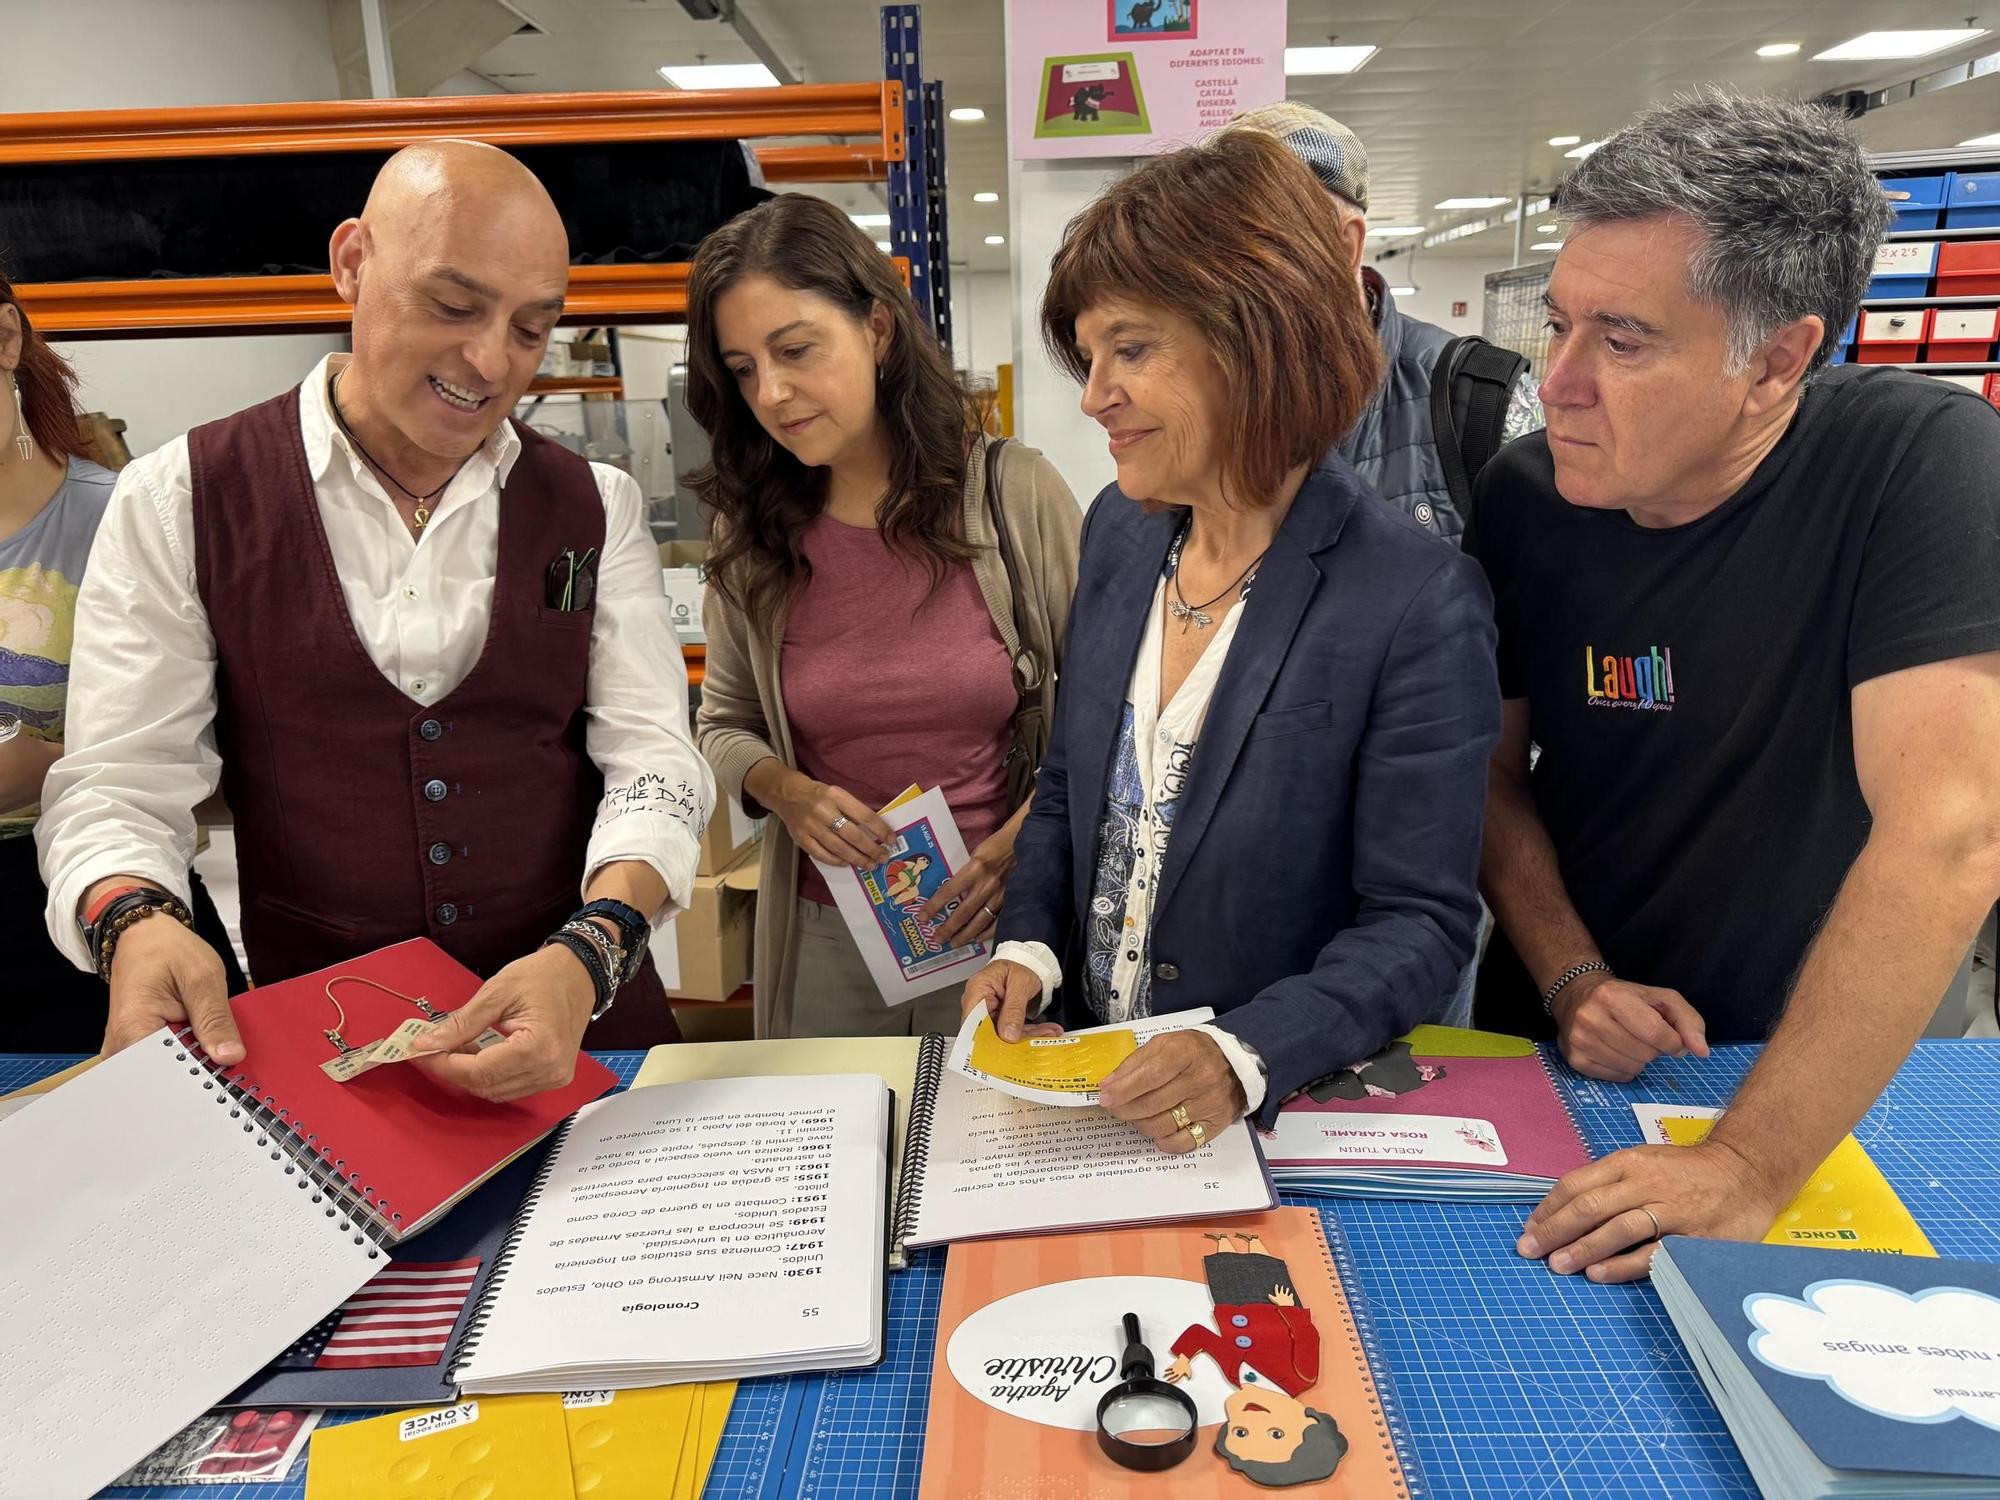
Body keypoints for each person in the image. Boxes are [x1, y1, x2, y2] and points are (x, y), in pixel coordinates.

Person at [38, 141, 713, 1095]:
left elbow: (652, 759)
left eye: (531, 328)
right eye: (453, 305)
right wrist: (134, 922)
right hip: (331, 1042)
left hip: (584, 1026)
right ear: (352, 262)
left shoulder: (593, 506)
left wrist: (594, 951)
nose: (489, 361)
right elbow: (118, 780)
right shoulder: (179, 498)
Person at [1473, 91, 2000, 1283]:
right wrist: (1570, 975)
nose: (1554, 383)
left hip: (1817, 1073)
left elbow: (1951, 834)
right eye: (1556, 326)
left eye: (1620, 340)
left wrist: (1750, 1164)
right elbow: (1487, 776)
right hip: (1567, 1035)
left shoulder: (1917, 463)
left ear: (1774, 361)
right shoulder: (1523, 499)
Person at [959, 130, 1499, 1149]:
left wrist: (1243, 1052)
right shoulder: (1119, 533)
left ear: (1254, 338)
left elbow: (1419, 922)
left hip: (1271, 1113)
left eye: (1131, 349)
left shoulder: (1412, 598)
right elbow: (1074, 785)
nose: (1091, 397)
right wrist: (1029, 946)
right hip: (1093, 1089)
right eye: (1089, 355)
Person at [688, 193, 1081, 1038]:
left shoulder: (1012, 495)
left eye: (796, 350)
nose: (774, 392)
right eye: (744, 368)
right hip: (827, 935)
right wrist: (783, 790)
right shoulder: (752, 531)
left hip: (1000, 929)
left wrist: (1027, 839)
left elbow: (1114, 712)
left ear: (878, 328)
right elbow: (723, 722)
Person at [1, 268, 244, 1049]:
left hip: (103, 904)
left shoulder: (127, 519)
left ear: (6, 339)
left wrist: (53, 760)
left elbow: (229, 749)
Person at [1225, 101, 1542, 548]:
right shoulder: (1210, 394)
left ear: (1344, 245)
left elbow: (1551, 602)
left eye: (1258, 247)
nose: (1227, 280)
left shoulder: (1483, 402)